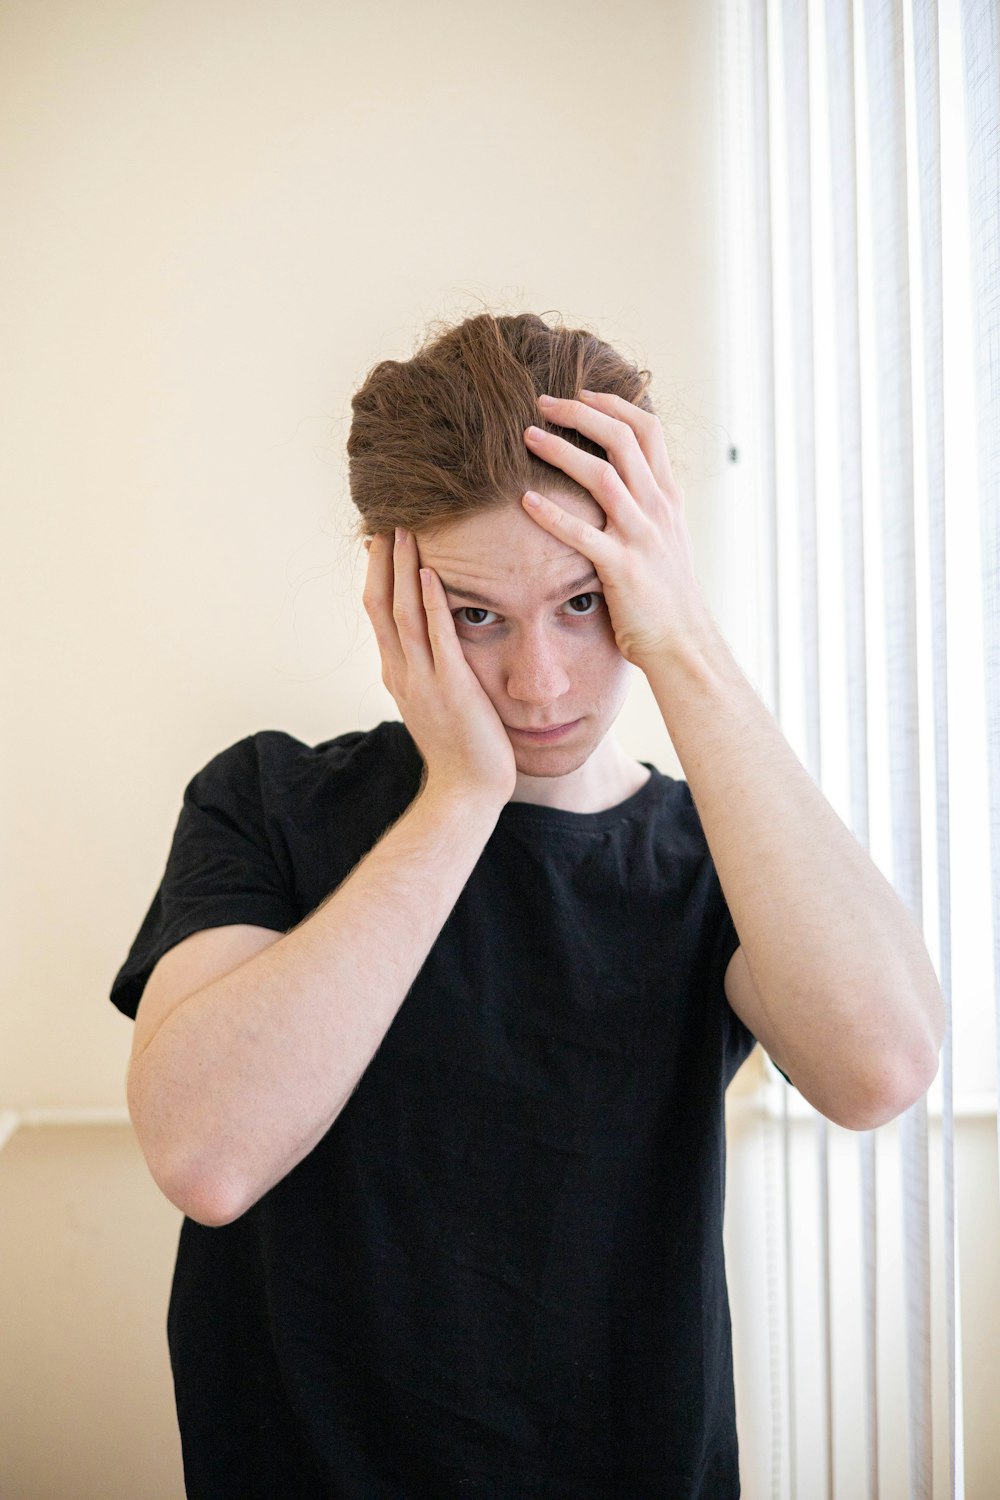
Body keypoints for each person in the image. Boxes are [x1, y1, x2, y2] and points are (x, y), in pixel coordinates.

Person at [110, 311, 944, 1499]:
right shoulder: (270, 802)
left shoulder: (720, 857)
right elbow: (207, 1156)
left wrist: (686, 641)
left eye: (585, 600)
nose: (538, 684)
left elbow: (881, 1069)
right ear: (392, 594)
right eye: (476, 617)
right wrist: (459, 798)